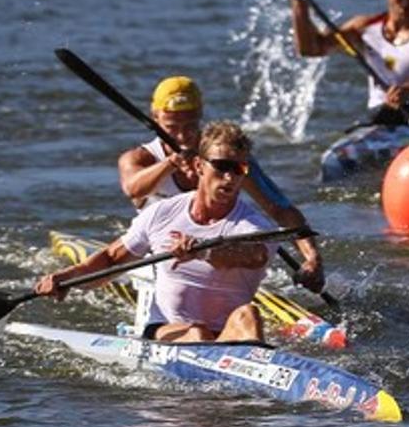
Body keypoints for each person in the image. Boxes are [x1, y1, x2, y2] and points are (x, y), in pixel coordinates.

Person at [36, 122, 281, 342]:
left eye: (239, 169)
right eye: (221, 166)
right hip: (167, 330)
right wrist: (65, 279)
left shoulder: (255, 226)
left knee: (249, 315)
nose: (229, 177)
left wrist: (203, 252)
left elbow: (253, 255)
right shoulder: (162, 213)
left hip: (227, 335)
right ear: (199, 166)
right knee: (197, 333)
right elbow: (111, 260)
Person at [116, 76, 323, 292]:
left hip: (217, 255)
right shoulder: (139, 159)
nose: (182, 136)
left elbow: (280, 209)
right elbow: (133, 189)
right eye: (172, 127)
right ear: (155, 117)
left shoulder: (229, 161)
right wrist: (171, 163)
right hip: (161, 254)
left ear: (200, 117)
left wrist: (312, 257)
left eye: (190, 126)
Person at [285, 0, 409, 180]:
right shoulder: (364, 29)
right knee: (332, 165)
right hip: (379, 123)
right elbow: (311, 48)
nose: (408, 2)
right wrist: (299, 5)